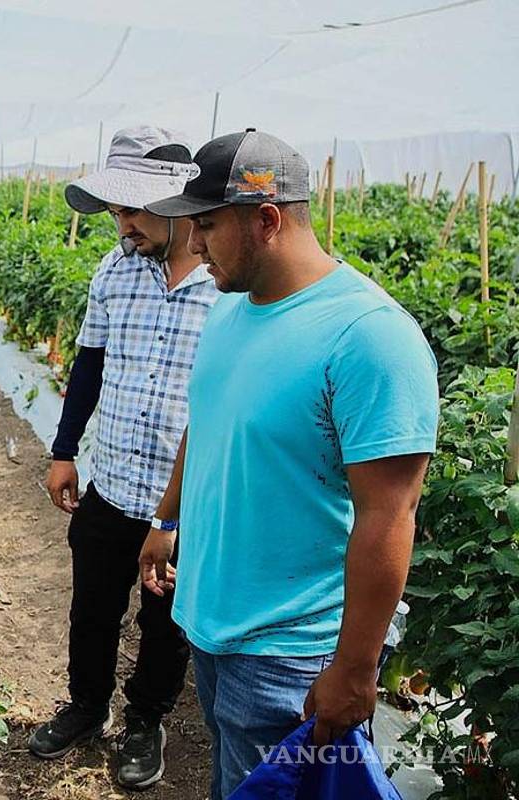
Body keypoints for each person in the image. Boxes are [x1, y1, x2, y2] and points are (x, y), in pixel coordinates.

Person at [138, 128, 438, 799]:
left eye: (207, 226)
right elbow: (207, 423)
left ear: (266, 219)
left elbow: (390, 513)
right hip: (213, 626)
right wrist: (166, 517)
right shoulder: (230, 312)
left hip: (293, 657)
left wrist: (355, 671)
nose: (194, 245)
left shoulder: (369, 338)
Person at [28, 126, 218, 790]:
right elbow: (89, 364)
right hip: (113, 479)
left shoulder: (228, 285)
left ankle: (145, 720)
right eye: (115, 208)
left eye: (132, 209)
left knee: (166, 621)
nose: (122, 223)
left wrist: (176, 517)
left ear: (176, 205)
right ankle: (86, 706)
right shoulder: (114, 268)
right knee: (91, 606)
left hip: (183, 498)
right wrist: (63, 451)